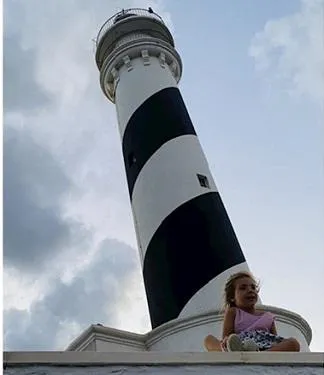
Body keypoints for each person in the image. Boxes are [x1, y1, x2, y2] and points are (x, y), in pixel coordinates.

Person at [204, 271, 300, 352]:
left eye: (253, 287)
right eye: (243, 288)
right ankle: (231, 350)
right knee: (208, 339)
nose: (250, 290)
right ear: (232, 298)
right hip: (241, 344)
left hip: (265, 346)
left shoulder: (267, 316)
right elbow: (227, 337)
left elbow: (274, 338)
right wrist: (228, 344)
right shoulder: (233, 312)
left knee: (294, 343)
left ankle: (260, 355)